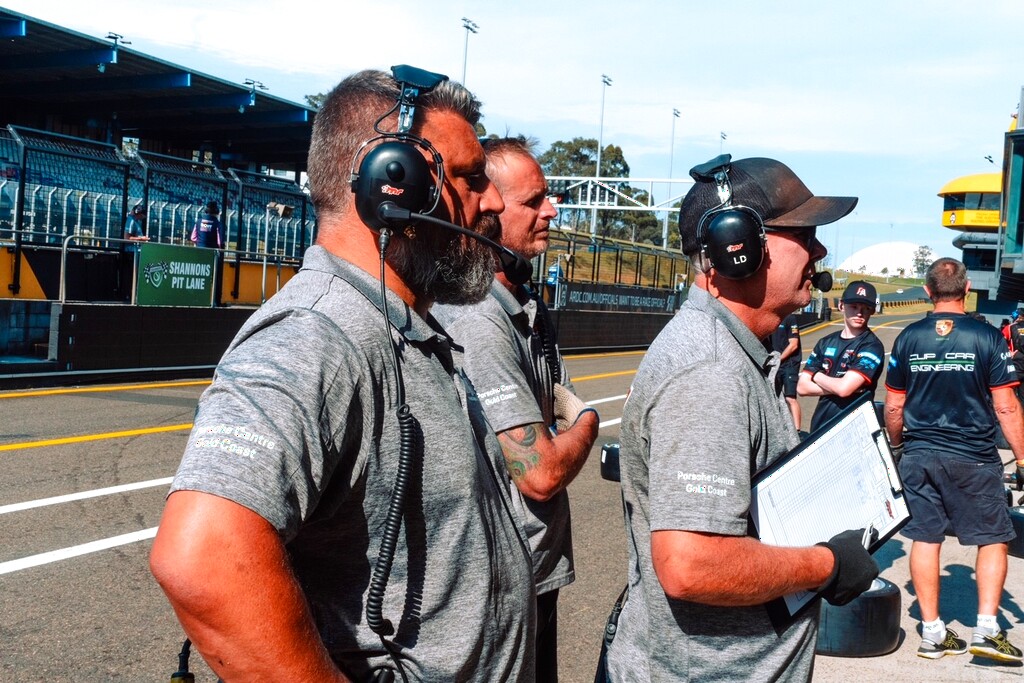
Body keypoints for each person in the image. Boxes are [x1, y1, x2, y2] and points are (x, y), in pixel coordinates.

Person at [149, 69, 536, 682]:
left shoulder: (405, 326)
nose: (489, 202)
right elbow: (203, 556)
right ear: (396, 186)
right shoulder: (318, 334)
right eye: (467, 178)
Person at [603, 156, 878, 682]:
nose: (819, 249)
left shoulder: (744, 351)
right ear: (739, 248)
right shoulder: (710, 373)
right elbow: (691, 564)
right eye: (804, 233)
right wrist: (828, 564)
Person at [433, 136, 599, 682]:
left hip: (536, 575)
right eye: (535, 201)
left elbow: (558, 400)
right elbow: (541, 472)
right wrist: (589, 424)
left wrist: (566, 423)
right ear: (490, 210)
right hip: (504, 584)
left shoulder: (525, 304)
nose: (552, 211)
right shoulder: (480, 318)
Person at [884, 257, 1024, 663]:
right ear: (966, 291)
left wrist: (896, 447)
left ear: (927, 292)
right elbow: (1007, 407)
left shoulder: (908, 338)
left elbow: (894, 406)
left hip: (920, 454)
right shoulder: (987, 337)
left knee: (925, 539)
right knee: (993, 538)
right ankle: (985, 629)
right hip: (974, 457)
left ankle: (931, 633)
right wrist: (1022, 458)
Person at [797, 280, 884, 433]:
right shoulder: (825, 342)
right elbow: (802, 388)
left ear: (872, 311)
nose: (859, 313)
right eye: (854, 306)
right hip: (820, 427)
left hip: (855, 429)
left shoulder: (872, 346)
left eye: (866, 308)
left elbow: (844, 389)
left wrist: (816, 375)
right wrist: (837, 386)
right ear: (841, 306)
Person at [771, 312, 803, 430]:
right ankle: (779, 428)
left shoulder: (790, 318)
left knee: (790, 398)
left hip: (789, 364)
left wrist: (779, 359)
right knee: (774, 398)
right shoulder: (771, 318)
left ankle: (797, 429)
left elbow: (794, 344)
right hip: (775, 365)